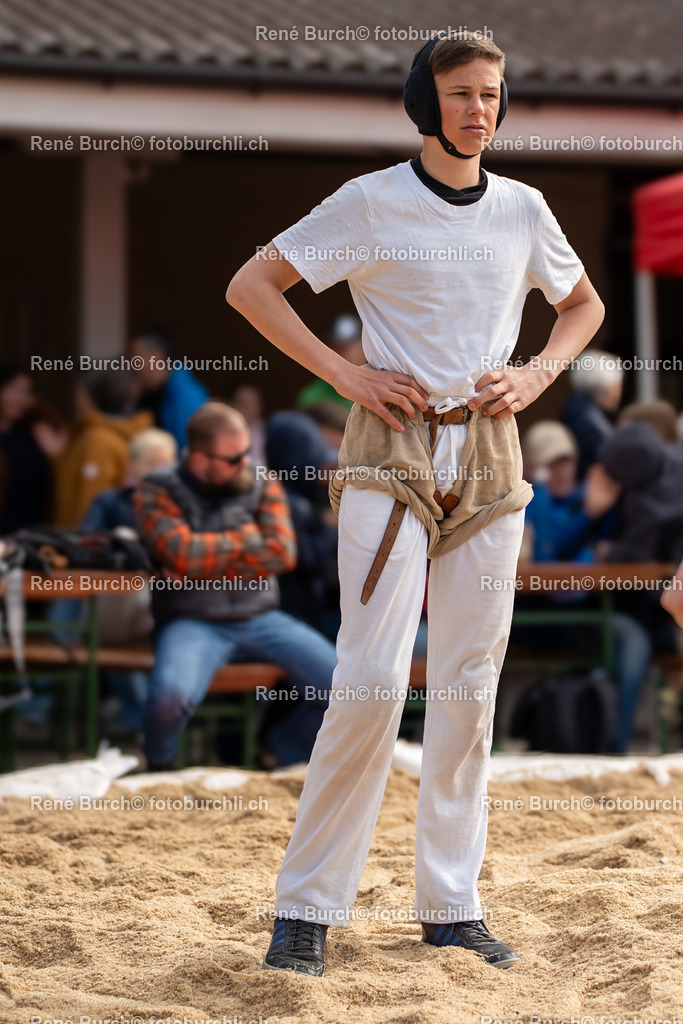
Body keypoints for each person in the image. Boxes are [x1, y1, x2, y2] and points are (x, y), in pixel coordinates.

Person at [227, 30, 604, 977]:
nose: (479, 108)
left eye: (492, 93)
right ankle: (307, 907)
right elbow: (252, 285)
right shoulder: (369, 200)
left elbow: (582, 305)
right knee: (369, 680)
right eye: (462, 93)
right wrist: (344, 372)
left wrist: (535, 375)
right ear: (423, 101)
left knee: (471, 685)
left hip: (488, 451)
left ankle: (451, 905)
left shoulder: (524, 207)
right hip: (387, 453)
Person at [134, 401, 338, 770]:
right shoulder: (156, 487)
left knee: (346, 687)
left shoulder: (261, 481)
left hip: (261, 616)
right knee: (170, 698)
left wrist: (201, 551)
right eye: (232, 458)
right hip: (191, 619)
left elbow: (282, 553)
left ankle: (280, 753)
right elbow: (179, 552)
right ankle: (158, 771)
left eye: (246, 451)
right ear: (198, 458)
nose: (244, 463)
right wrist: (245, 539)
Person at [519, 420, 652, 754]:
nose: (561, 470)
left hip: (588, 613)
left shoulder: (591, 496)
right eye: (551, 463)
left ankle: (613, 749)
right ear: (533, 468)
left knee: (635, 640)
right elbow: (545, 560)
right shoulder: (530, 502)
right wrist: (586, 516)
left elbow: (615, 547)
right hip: (538, 621)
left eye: (566, 460)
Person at [55, 370, 152, 528]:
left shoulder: (98, 441)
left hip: (84, 543)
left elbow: (85, 505)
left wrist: (72, 546)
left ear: (90, 396)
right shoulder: (121, 434)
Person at [0, 363, 66, 533]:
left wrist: (36, 406)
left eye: (26, 392)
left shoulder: (31, 431)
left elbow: (60, 434)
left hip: (35, 537)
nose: (21, 398)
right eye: (15, 390)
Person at [130, 327, 209, 449]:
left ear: (156, 357)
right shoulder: (146, 393)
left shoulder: (188, 396)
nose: (132, 366)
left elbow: (188, 452)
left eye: (136, 359)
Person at [560, 349, 623, 478]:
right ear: (603, 386)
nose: (618, 392)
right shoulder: (586, 416)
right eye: (616, 385)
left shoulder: (581, 407)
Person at [296, 314, 365, 411]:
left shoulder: (380, 386)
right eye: (335, 346)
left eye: (346, 347)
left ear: (364, 348)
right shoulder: (313, 394)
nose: (340, 353)